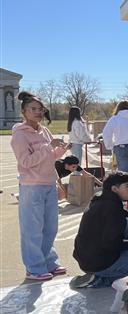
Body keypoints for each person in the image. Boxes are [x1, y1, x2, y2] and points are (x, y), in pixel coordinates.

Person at [11, 91, 70, 281]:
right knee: (32, 229)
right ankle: (34, 268)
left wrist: (61, 149)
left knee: (50, 227)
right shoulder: (19, 134)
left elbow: (50, 157)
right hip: (32, 186)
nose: (38, 112)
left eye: (41, 109)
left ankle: (49, 262)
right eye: (33, 109)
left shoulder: (44, 131)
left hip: (48, 183)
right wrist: (48, 147)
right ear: (24, 111)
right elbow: (26, 162)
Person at [73, 171, 128, 284]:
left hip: (88, 255)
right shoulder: (111, 209)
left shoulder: (102, 198)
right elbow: (112, 244)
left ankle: (124, 259)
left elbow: (122, 213)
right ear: (114, 189)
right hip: (98, 262)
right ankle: (98, 280)